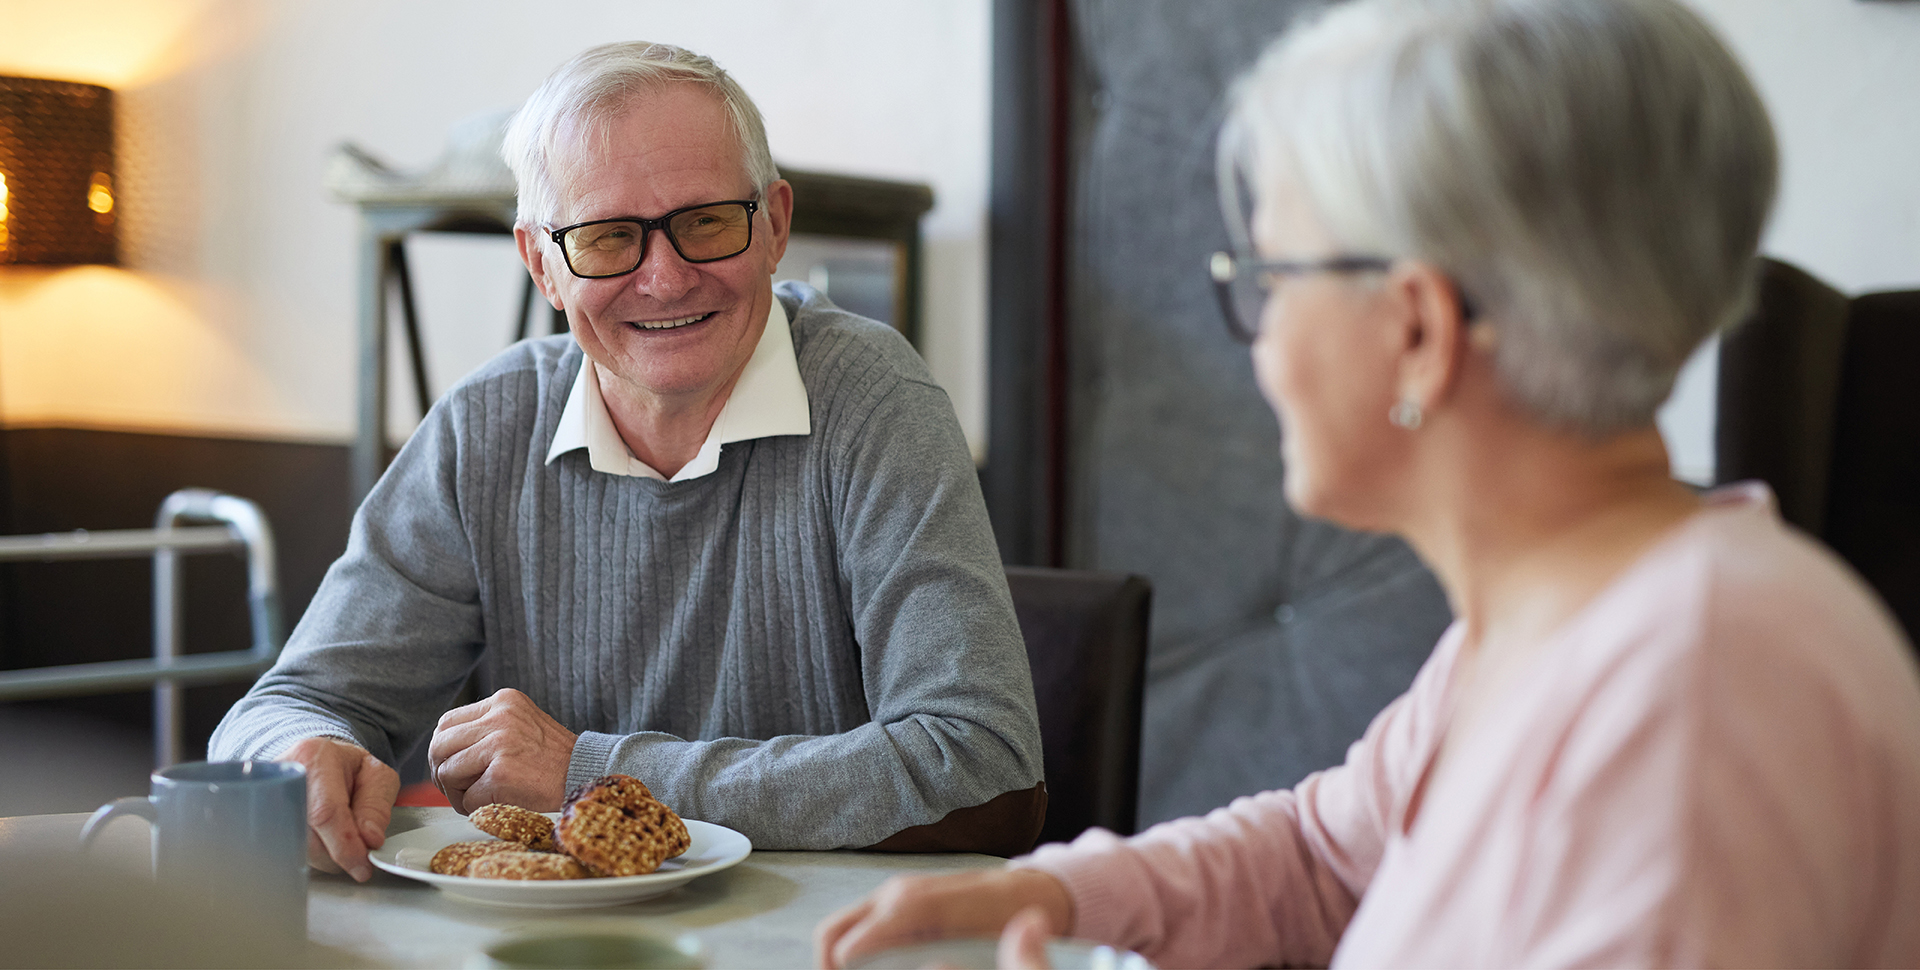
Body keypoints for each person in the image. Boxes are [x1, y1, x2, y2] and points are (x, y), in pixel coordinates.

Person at [816, 0, 1920, 966]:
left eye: (1269, 277)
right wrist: (1054, 893)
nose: (1259, 344)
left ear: (1417, 328)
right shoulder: (1544, 621)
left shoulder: (1696, 694)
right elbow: (1321, 859)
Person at [210, 42, 1045, 882]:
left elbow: (987, 776)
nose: (666, 278)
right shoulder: (488, 425)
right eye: (609, 238)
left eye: (707, 221)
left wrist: (593, 776)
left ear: (776, 225)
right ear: (542, 262)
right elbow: (294, 701)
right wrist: (298, 752)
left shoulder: (875, 401)